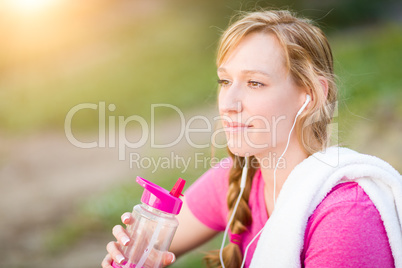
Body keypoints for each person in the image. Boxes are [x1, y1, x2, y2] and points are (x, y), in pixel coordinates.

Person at [102, 9, 401, 268]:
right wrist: (136, 249)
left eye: (255, 83)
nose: (228, 103)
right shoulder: (237, 180)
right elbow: (150, 250)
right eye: (225, 81)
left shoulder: (346, 218)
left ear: (311, 96)